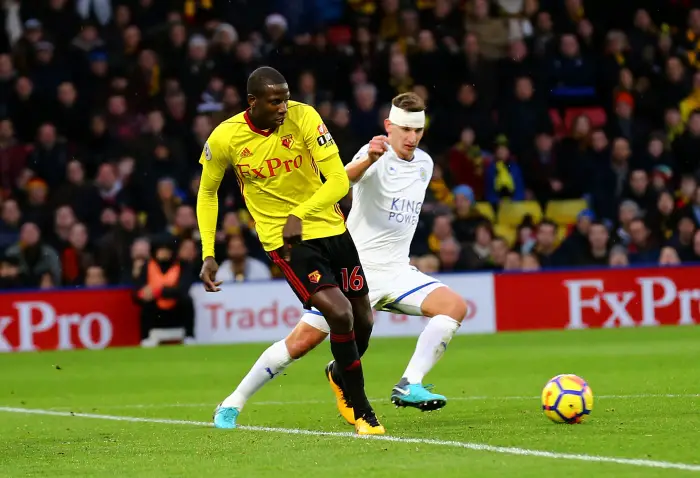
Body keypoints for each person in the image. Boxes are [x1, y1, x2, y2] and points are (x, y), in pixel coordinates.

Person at [218, 92, 468, 428]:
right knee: (300, 343)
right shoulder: (372, 152)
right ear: (388, 126)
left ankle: (409, 383)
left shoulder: (425, 164)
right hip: (356, 270)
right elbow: (342, 178)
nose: (411, 137)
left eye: (418, 131)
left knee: (454, 308)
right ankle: (233, 402)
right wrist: (369, 160)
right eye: (405, 129)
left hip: (397, 271)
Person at [196, 66, 383, 435]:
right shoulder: (225, 138)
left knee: (364, 320)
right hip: (286, 241)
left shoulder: (304, 117)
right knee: (339, 313)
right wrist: (208, 251)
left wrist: (300, 212)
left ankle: (338, 373)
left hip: (331, 229)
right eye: (275, 100)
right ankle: (364, 413)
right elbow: (207, 193)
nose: (284, 106)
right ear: (253, 102)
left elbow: (339, 180)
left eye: (285, 97)